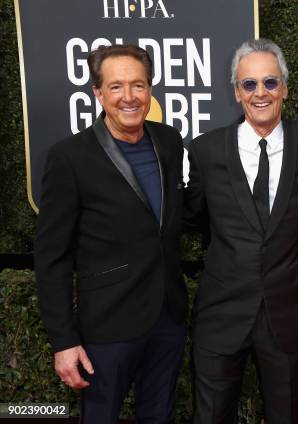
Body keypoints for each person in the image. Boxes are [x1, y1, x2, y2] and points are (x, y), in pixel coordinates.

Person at [35, 44, 188, 423]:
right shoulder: (69, 157)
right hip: (107, 325)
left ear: (151, 89)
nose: (129, 97)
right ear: (98, 93)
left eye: (138, 85)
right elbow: (52, 257)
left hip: (167, 317)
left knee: (160, 416)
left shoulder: (168, 141)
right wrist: (64, 341)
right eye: (116, 87)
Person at [184, 38, 298, 423]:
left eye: (270, 82)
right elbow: (192, 219)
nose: (260, 93)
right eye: (249, 84)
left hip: (289, 316)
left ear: (285, 88)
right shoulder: (205, 150)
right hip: (221, 315)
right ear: (236, 91)